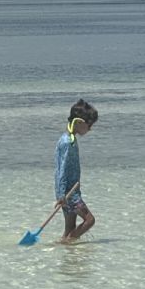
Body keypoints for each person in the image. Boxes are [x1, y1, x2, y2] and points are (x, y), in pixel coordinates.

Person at [55, 99, 99, 242]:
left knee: (69, 228)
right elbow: (62, 169)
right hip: (69, 193)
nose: (90, 129)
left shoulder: (68, 138)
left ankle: (65, 248)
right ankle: (69, 242)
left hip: (68, 190)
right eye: (89, 125)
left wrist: (60, 192)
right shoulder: (68, 142)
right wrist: (62, 195)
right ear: (79, 122)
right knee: (90, 220)